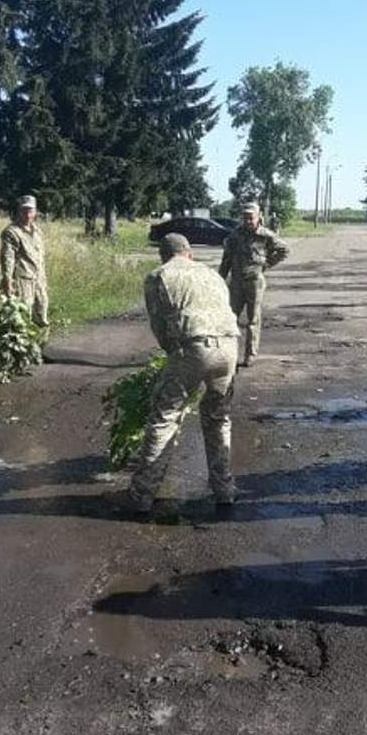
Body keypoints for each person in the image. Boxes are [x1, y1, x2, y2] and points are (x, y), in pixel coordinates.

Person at [127, 233, 240, 515]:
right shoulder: (212, 274)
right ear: (189, 253)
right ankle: (224, 489)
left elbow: (160, 326)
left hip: (194, 348)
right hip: (230, 348)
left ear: (164, 255)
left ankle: (142, 495)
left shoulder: (159, 276)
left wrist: (173, 356)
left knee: (165, 417)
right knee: (218, 417)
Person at [219, 201, 288, 367]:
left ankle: (250, 354)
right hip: (236, 282)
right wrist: (220, 280)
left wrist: (266, 264)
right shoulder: (235, 235)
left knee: (253, 320)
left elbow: (284, 250)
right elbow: (226, 259)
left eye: (251, 217)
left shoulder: (265, 235)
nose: (248, 221)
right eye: (245, 218)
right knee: (230, 319)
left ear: (258, 218)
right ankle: (230, 354)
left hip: (254, 282)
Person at [0, 194, 49, 330]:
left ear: (35, 212)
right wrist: (7, 280)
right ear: (19, 211)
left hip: (39, 279)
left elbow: (40, 257)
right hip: (22, 281)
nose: (27, 214)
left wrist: (44, 279)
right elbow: (7, 258)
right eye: (24, 210)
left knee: (42, 316)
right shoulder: (11, 232)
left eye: (30, 210)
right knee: (22, 318)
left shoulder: (37, 231)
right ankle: (21, 350)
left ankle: (38, 348)